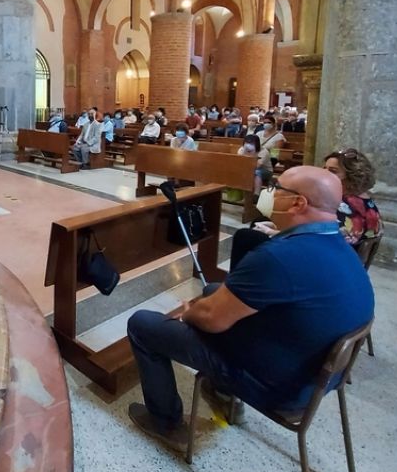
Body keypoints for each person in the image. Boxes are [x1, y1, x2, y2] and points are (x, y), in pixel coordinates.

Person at [126, 166, 375, 450]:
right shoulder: (341, 245)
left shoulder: (277, 257)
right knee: (213, 290)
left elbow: (210, 319)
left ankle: (165, 422)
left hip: (281, 387)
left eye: (277, 188)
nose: (268, 192)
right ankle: (222, 394)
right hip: (318, 374)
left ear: (298, 203)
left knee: (144, 324)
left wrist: (189, 311)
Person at [323, 148, 383, 246]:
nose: (324, 174)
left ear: (352, 176)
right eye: (324, 168)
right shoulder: (367, 201)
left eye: (333, 171)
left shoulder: (341, 205)